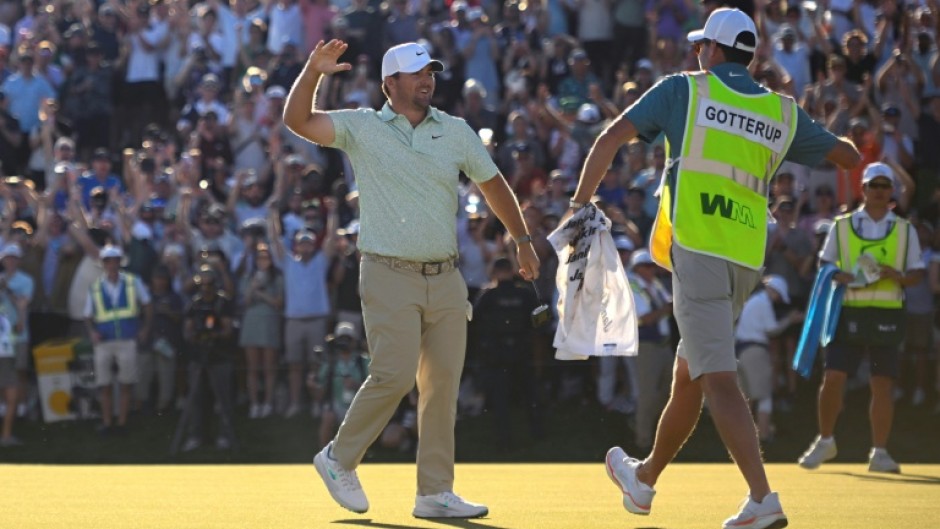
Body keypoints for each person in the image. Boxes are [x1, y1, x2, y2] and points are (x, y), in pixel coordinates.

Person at [569, 9, 860, 529]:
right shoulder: (781, 112)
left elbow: (610, 136)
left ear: (715, 51)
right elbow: (847, 156)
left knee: (718, 378)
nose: (698, 51)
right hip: (746, 261)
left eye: (703, 45)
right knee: (689, 374)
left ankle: (763, 499)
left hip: (700, 251)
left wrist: (578, 206)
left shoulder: (685, 89)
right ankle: (644, 479)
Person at [283, 39, 539, 518]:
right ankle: (338, 458)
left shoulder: (456, 130)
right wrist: (312, 73)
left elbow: (493, 184)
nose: (428, 80)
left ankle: (434, 492)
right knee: (394, 374)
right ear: (390, 83)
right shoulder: (361, 125)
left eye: (431, 73)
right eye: (418, 73)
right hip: (387, 272)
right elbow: (297, 121)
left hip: (445, 277)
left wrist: (521, 240)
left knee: (442, 386)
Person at [797, 162, 924, 474]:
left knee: (882, 384)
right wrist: (841, 275)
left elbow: (918, 272)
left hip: (887, 314)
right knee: (833, 377)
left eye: (884, 186)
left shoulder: (905, 230)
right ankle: (825, 439)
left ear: (891, 190)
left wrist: (899, 277)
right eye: (873, 185)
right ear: (863, 189)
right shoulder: (841, 225)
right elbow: (824, 264)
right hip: (848, 310)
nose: (879, 191)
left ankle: (879, 452)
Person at [84, 245, 153, 435]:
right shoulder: (95, 286)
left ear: (119, 262)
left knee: (126, 382)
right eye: (108, 261)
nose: (112, 264)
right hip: (104, 341)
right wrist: (91, 332)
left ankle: (122, 423)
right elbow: (88, 315)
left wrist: (145, 328)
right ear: (104, 264)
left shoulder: (133, 281)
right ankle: (107, 423)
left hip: (127, 338)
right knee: (104, 383)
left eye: (115, 260)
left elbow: (147, 304)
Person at [734, 275, 803, 443]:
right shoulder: (763, 303)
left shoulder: (753, 301)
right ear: (774, 291)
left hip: (741, 350)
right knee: (764, 395)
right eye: (779, 295)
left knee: (747, 395)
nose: (779, 299)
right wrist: (790, 320)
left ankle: (743, 435)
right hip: (755, 350)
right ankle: (763, 433)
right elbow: (772, 330)